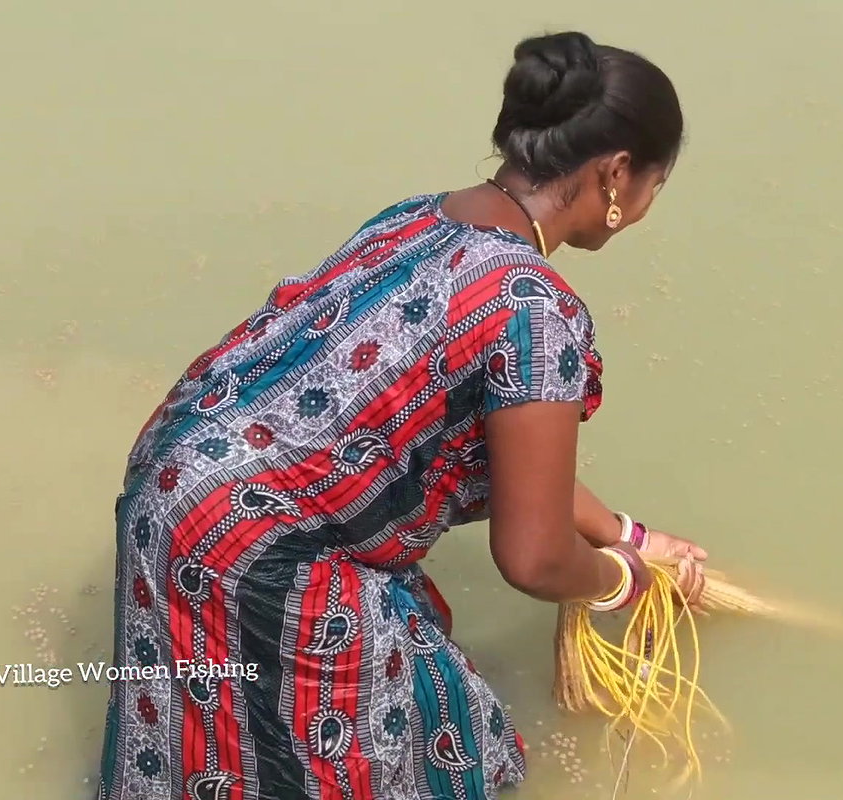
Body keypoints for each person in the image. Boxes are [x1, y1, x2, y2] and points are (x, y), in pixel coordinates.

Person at [95, 30, 707, 800]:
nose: (644, 205)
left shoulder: (420, 218)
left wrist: (626, 534)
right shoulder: (537, 314)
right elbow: (535, 558)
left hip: (173, 485)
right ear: (616, 174)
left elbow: (498, 457)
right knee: (380, 768)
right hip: (253, 547)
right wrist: (622, 582)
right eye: (654, 184)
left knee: (209, 748)